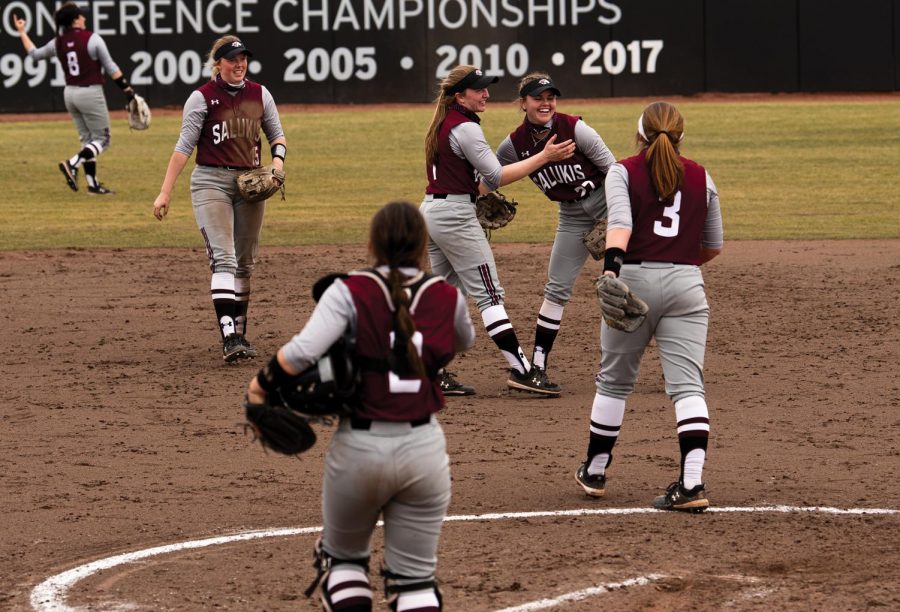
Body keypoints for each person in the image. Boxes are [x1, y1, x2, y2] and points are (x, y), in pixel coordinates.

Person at [246, 201, 476, 611]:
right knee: (416, 583)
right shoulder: (447, 296)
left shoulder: (349, 290)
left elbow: (302, 353)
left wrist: (259, 387)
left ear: (372, 242)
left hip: (359, 451)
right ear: (424, 245)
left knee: (346, 563)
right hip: (423, 450)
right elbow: (461, 343)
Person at [574, 101, 723, 512]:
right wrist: (678, 264)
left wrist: (611, 270)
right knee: (688, 388)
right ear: (680, 136)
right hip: (686, 286)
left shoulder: (623, 170)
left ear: (640, 134)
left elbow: (620, 224)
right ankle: (691, 484)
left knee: (614, 382)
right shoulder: (701, 176)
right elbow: (713, 245)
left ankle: (597, 469)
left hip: (633, 280)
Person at [421, 64, 576, 397]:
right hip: (453, 215)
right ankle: (522, 371)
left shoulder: (443, 123)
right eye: (479, 89)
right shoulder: (465, 128)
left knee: (446, 295)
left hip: (432, 210)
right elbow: (494, 177)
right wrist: (544, 157)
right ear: (460, 95)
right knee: (489, 294)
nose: (486, 94)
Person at [152, 36, 286, 363]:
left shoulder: (260, 94)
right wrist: (165, 190)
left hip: (249, 183)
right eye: (232, 59)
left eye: (243, 59)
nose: (239, 64)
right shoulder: (202, 98)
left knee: (245, 262)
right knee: (224, 259)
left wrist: (277, 164)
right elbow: (184, 147)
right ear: (219, 63)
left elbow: (277, 136)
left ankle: (240, 332)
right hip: (210, 181)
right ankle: (228, 337)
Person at [496, 73, 616, 397]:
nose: (546, 103)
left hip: (608, 203)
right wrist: (474, 197)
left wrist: (620, 219)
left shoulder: (575, 128)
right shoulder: (515, 144)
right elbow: (490, 175)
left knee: (631, 281)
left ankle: (621, 366)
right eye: (538, 98)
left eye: (551, 97)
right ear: (523, 104)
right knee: (556, 289)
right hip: (572, 217)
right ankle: (537, 368)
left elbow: (616, 171)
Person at [14, 2, 137, 195]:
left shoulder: (59, 41)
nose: (84, 18)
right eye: (81, 16)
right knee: (103, 140)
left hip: (69, 93)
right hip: (90, 92)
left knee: (88, 140)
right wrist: (129, 91)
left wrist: (22, 32)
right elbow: (112, 68)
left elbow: (34, 54)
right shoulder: (92, 39)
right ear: (75, 20)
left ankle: (93, 185)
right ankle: (72, 163)